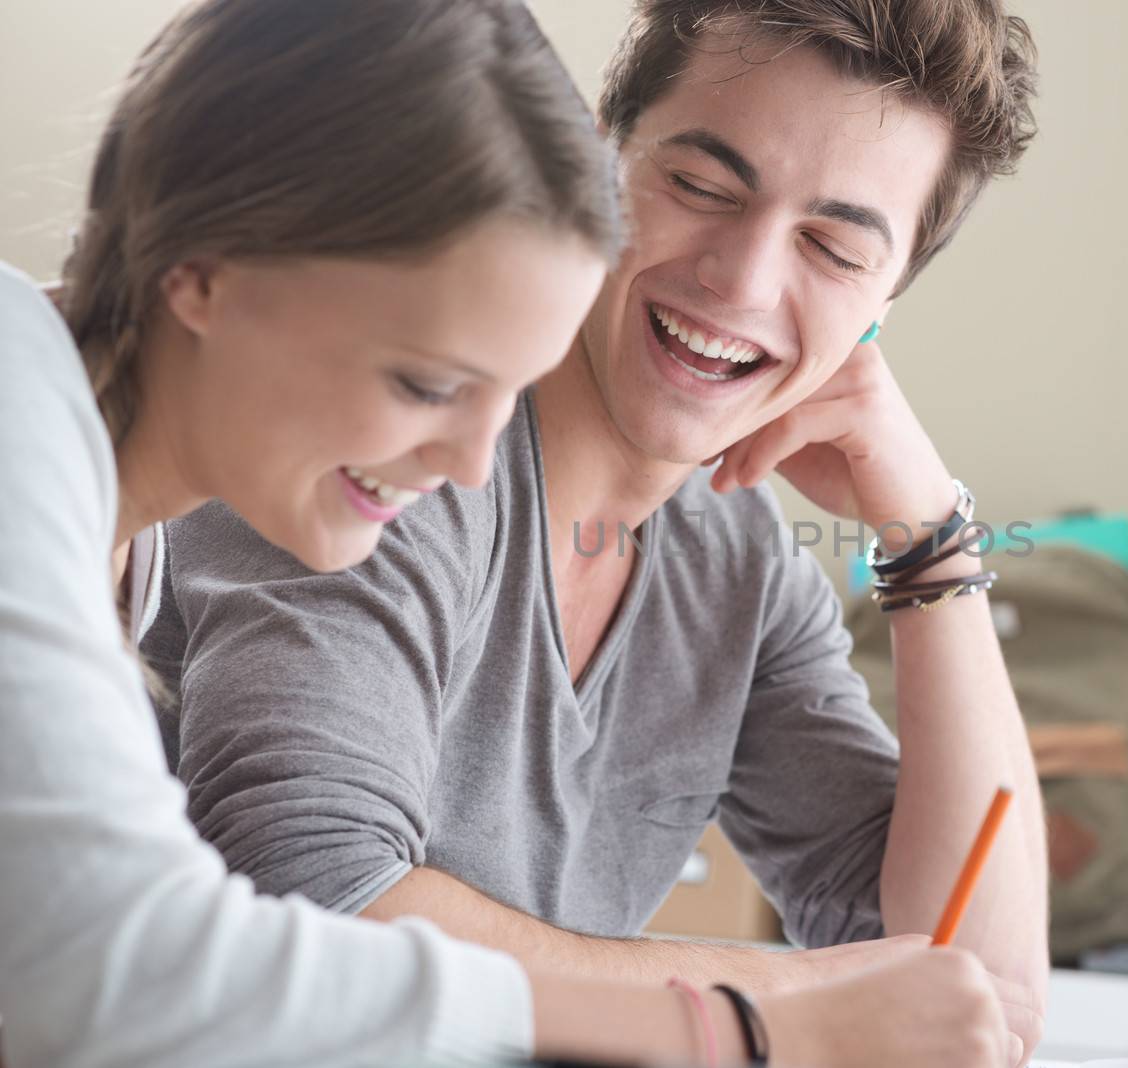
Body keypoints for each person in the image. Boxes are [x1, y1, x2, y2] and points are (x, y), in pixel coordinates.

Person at [0, 1, 1012, 1066]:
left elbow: (974, 991)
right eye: (426, 382)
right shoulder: (32, 423)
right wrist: (741, 1020)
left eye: (833, 246)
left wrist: (933, 535)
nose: (470, 464)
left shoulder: (116, 535)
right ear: (205, 270)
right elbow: (131, 957)